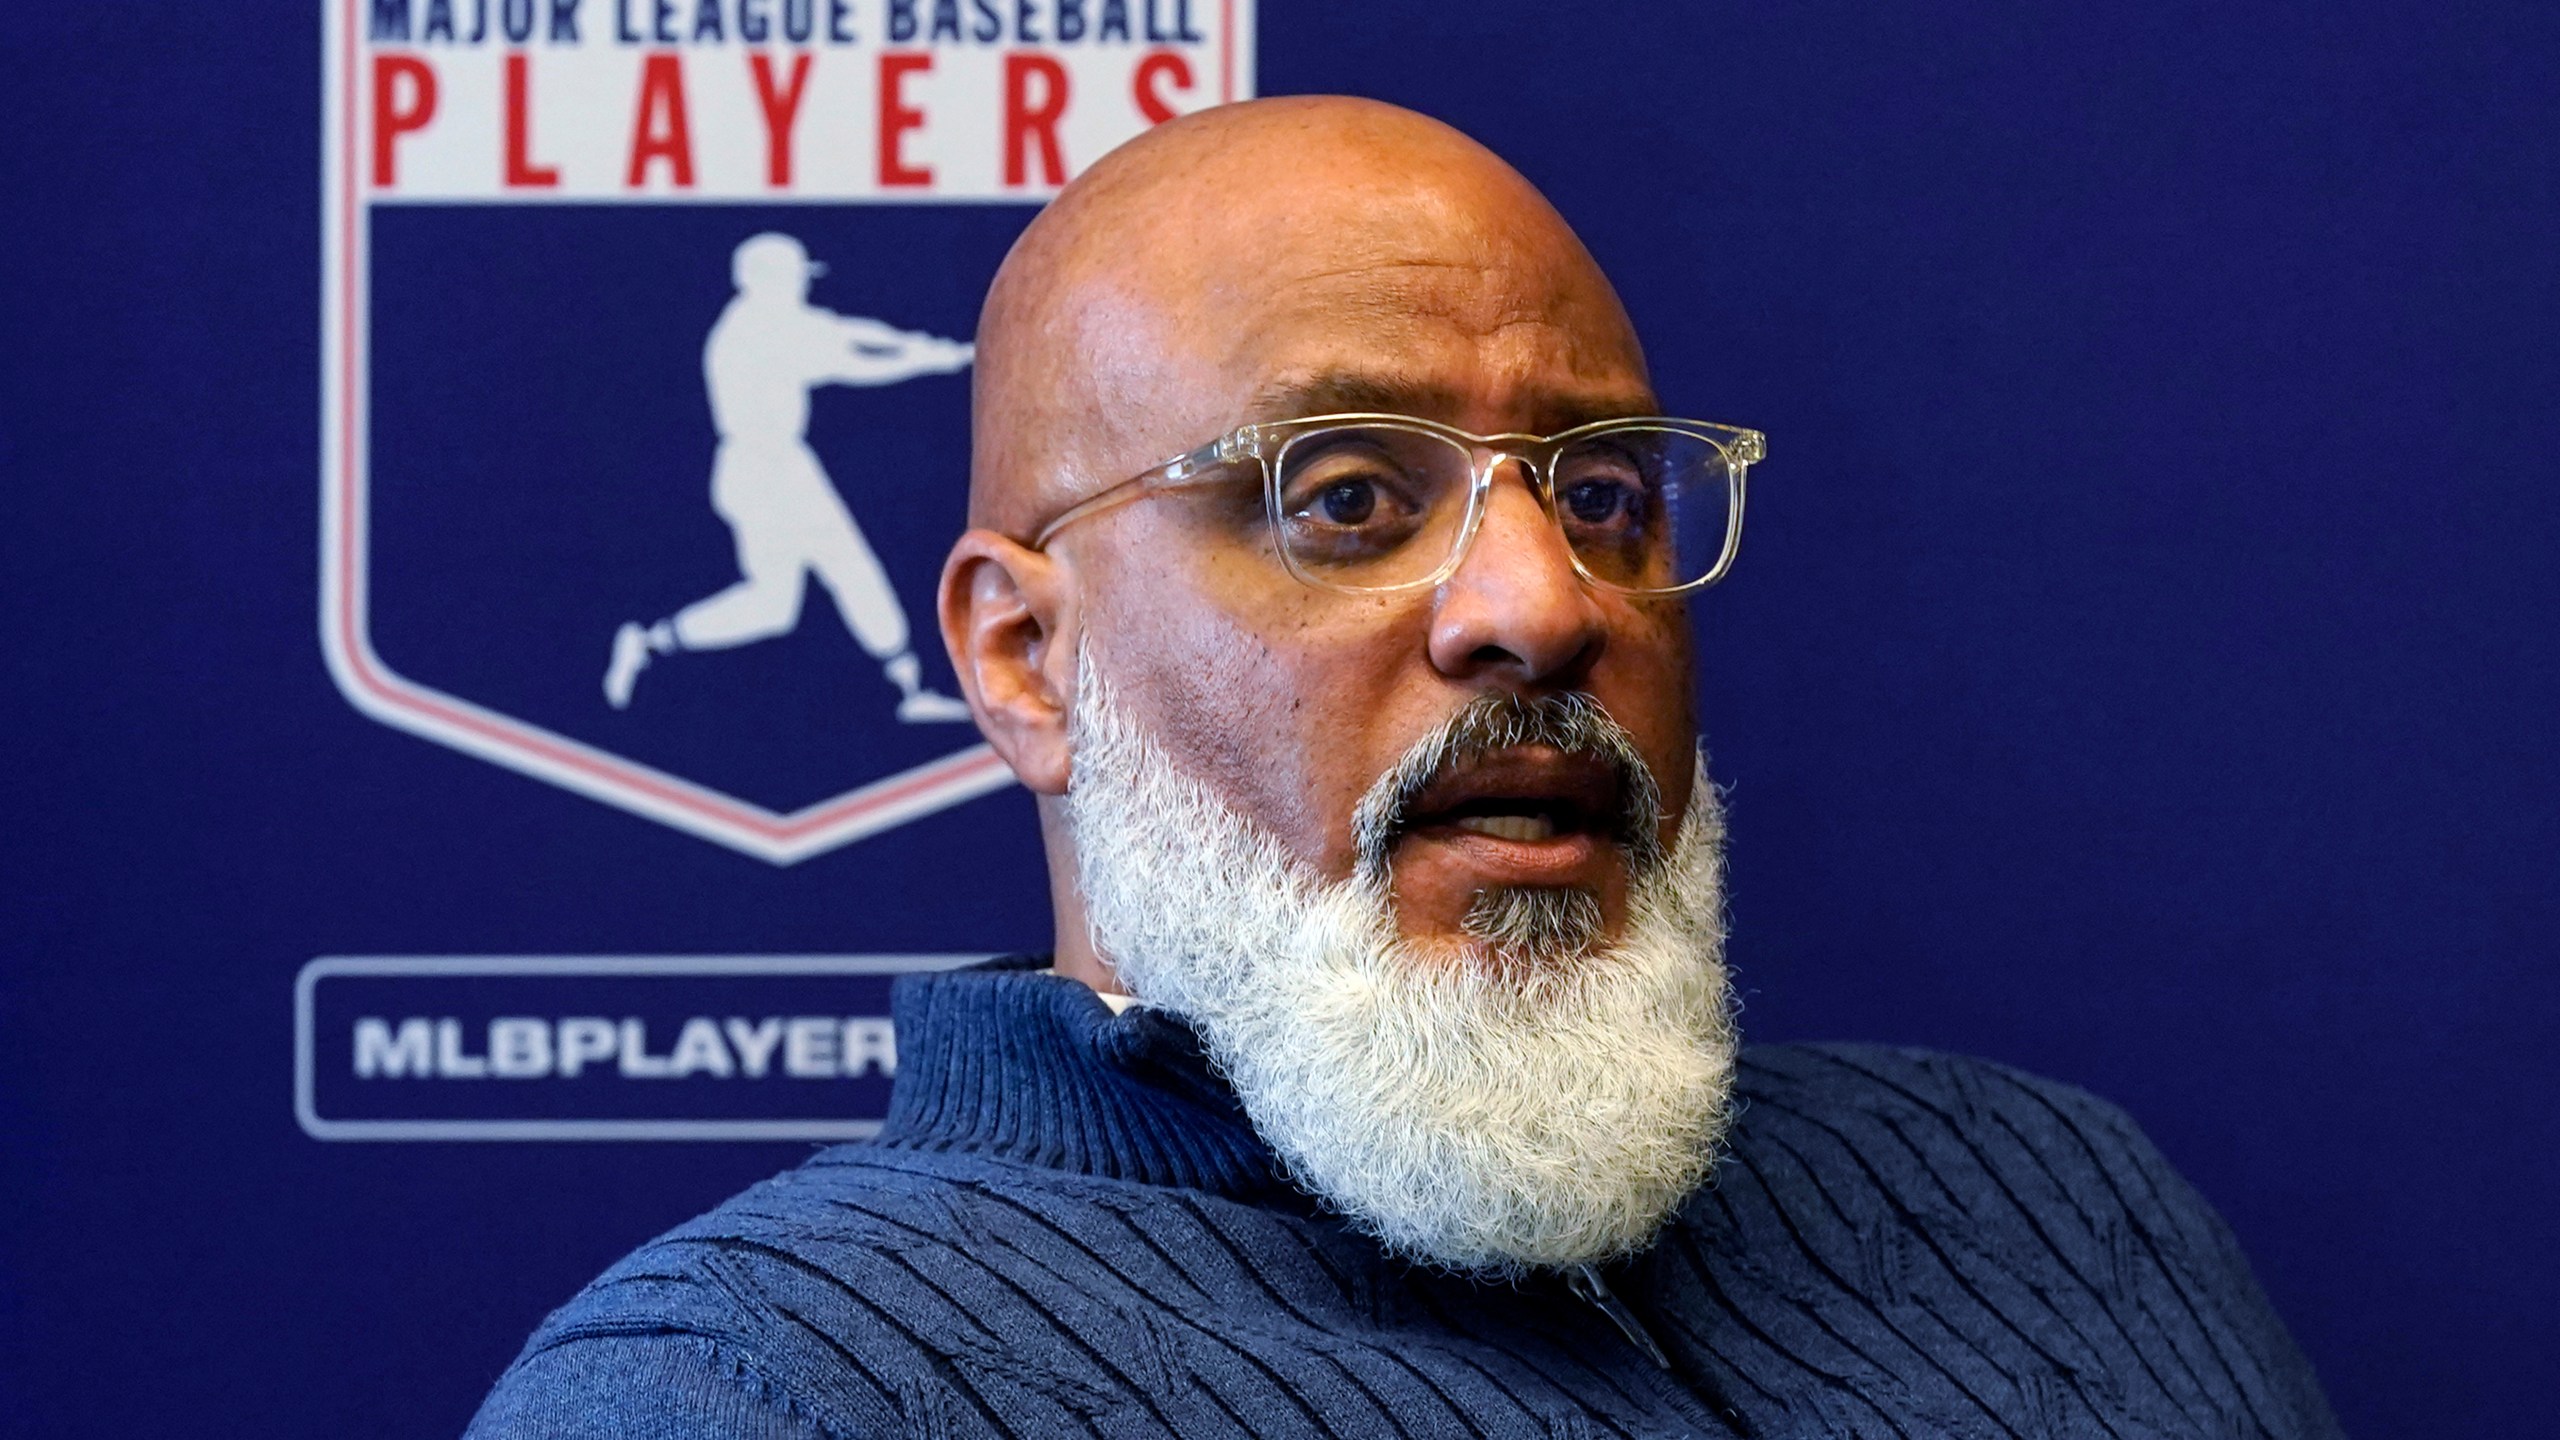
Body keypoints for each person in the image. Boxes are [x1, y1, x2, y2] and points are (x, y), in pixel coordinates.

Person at [475, 99, 2339, 1438]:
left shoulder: (2049, 1199)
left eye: (1603, 493)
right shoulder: (754, 1391)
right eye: (1348, 500)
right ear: (1025, 661)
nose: (1540, 604)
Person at [604, 231, 975, 722]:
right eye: (791, 277)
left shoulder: (781, 320)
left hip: (782, 467)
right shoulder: (752, 333)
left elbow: (850, 330)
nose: (800, 286)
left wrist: (924, 346)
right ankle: (908, 687)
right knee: (818, 582)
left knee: (801, 592)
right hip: (764, 473)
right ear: (758, 281)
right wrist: (933, 360)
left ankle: (907, 688)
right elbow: (852, 366)